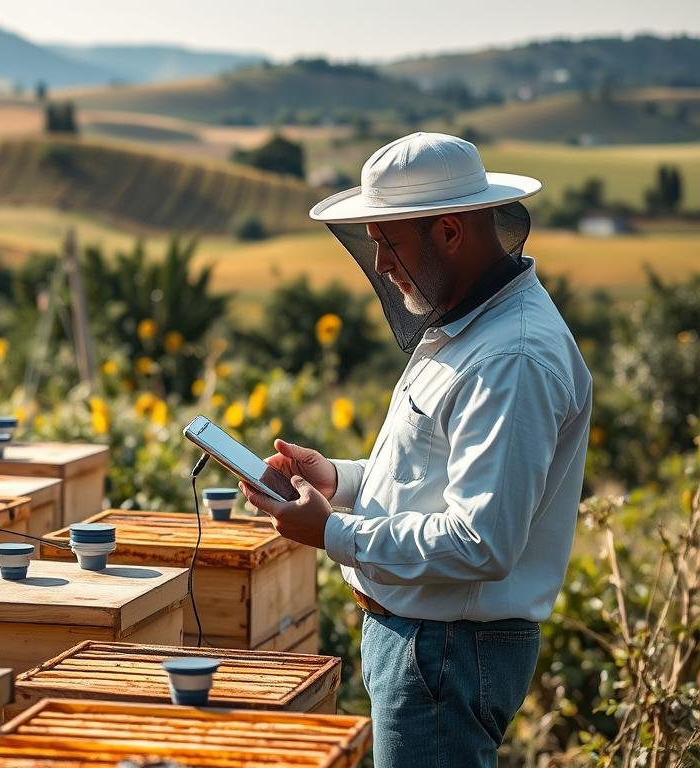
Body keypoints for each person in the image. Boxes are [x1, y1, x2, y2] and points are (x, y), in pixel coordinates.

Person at [239, 132, 592, 767]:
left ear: (451, 232)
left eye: (389, 242)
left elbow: (481, 538)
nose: (379, 264)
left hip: (446, 654)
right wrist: (340, 479)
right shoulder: (469, 325)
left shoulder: (511, 357)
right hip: (429, 648)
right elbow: (437, 472)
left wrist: (335, 533)